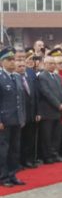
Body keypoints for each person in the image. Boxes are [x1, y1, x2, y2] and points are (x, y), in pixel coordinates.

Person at [0, 49, 26, 188]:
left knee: (14, 149)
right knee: (3, 150)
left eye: (13, 60)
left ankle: (12, 174)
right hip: (4, 120)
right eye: (8, 60)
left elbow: (20, 100)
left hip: (16, 119)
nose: (12, 62)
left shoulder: (17, 77)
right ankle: (3, 177)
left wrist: (22, 118)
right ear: (1, 62)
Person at [37, 56, 62, 164]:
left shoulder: (57, 76)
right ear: (44, 64)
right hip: (48, 111)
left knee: (56, 135)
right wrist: (58, 104)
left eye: (53, 63)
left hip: (59, 111)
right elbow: (46, 93)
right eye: (49, 63)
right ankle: (47, 156)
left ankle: (55, 154)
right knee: (47, 136)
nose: (52, 65)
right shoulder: (42, 76)